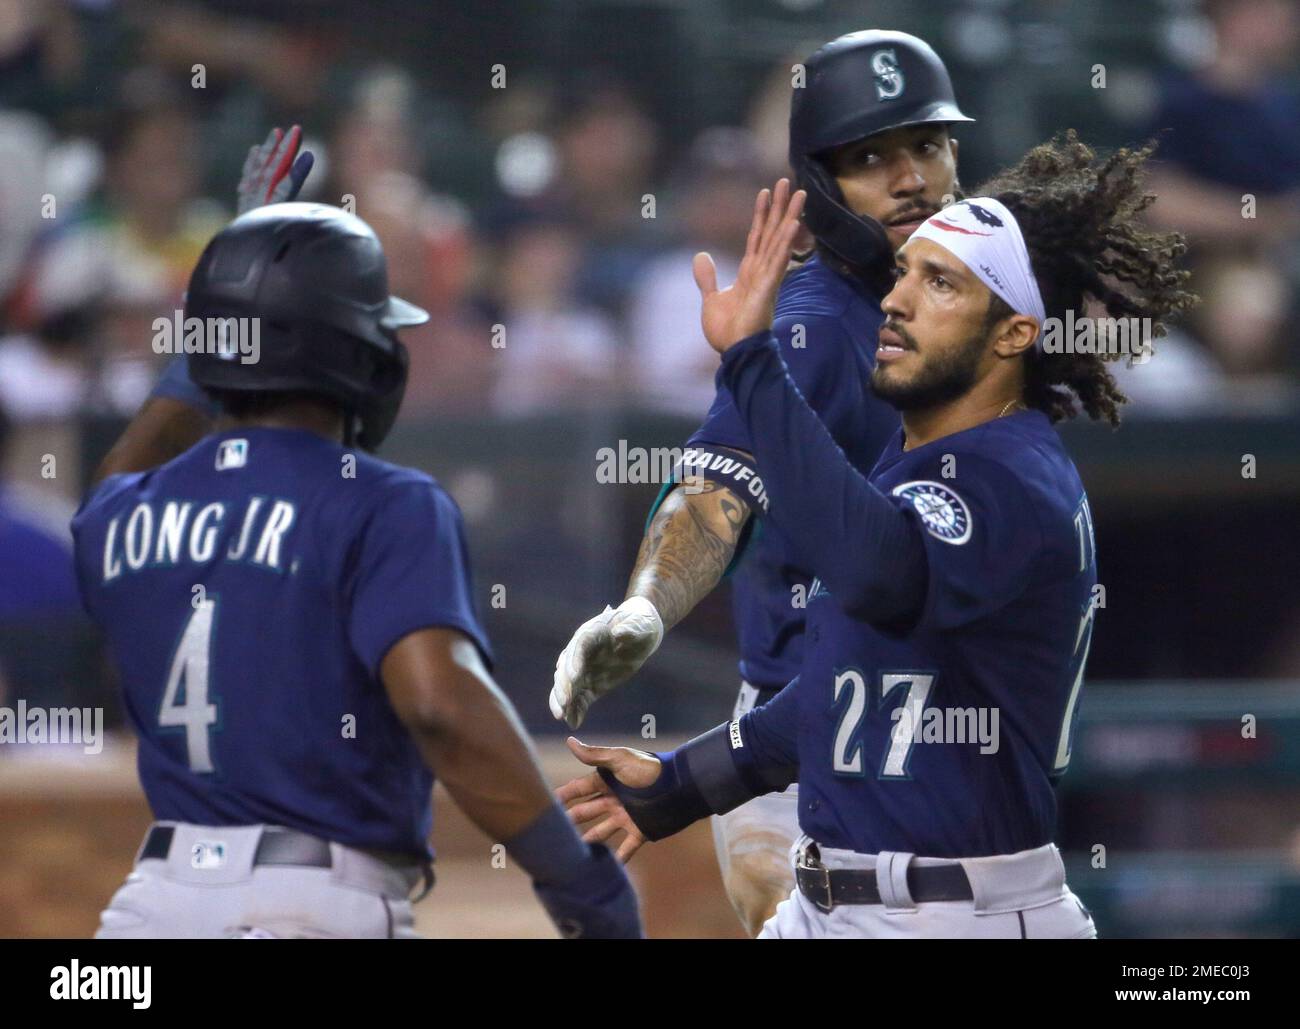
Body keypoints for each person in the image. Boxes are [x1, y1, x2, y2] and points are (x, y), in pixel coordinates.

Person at [558, 134, 1196, 939]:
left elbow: (877, 573)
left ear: (1013, 334)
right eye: (904, 275)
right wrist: (681, 783)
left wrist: (756, 364)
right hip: (836, 905)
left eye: (941, 284)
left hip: (959, 912)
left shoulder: (1010, 473)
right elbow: (847, 688)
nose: (897, 301)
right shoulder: (921, 461)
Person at [71, 131, 640, 939]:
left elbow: (114, 487)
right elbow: (442, 708)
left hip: (146, 912)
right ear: (361, 357)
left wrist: (232, 314)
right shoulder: (385, 502)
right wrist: (576, 877)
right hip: (309, 905)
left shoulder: (123, 513)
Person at [549, 30, 972, 935]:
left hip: (954, 724)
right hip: (803, 742)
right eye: (871, 157)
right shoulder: (811, 328)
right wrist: (650, 605)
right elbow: (718, 486)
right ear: (822, 181)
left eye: (927, 146)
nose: (910, 179)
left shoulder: (988, 303)